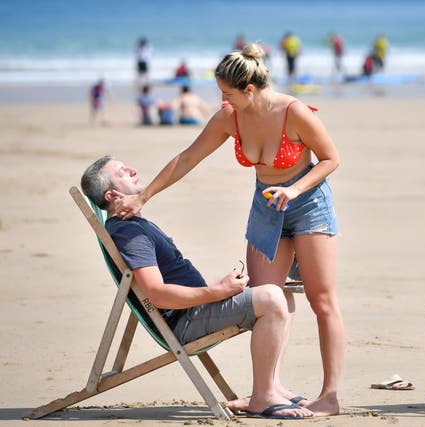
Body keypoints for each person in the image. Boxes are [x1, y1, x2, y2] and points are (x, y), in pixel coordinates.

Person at [114, 43, 344, 417]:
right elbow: (187, 157)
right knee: (269, 296)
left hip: (308, 204)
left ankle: (329, 395)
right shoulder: (229, 117)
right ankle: (269, 391)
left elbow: (332, 158)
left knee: (321, 300)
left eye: (227, 93)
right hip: (266, 208)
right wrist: (144, 198)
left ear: (249, 90)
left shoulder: (294, 112)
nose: (222, 100)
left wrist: (294, 189)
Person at [80, 156, 313, 420]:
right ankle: (264, 396)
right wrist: (219, 292)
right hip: (185, 321)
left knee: (279, 291)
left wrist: (223, 285)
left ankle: (272, 386)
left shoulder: (134, 226)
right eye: (123, 172)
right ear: (112, 195)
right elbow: (157, 293)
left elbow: (173, 284)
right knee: (271, 298)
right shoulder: (128, 233)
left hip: (194, 309)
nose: (133, 169)